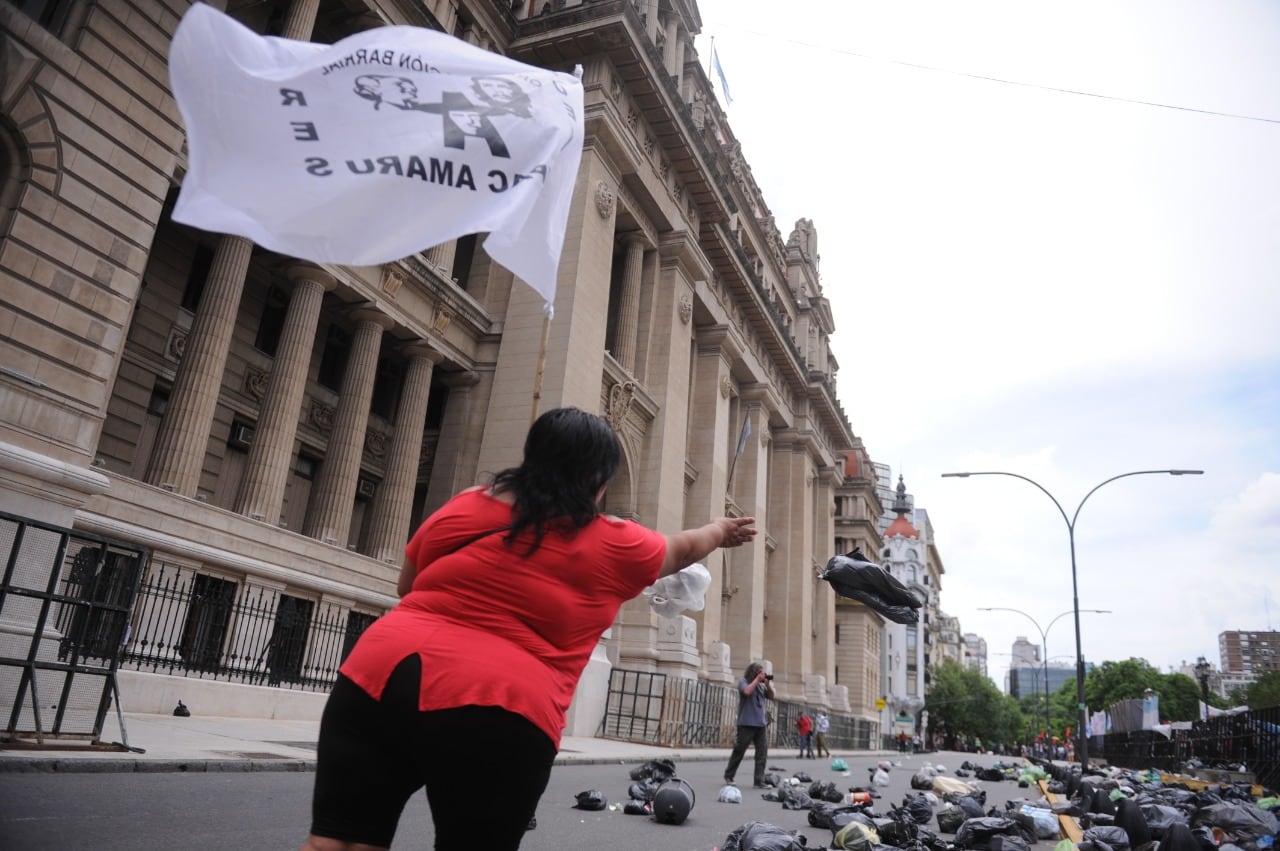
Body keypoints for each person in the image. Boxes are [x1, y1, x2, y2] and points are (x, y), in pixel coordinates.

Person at [300, 407, 756, 851]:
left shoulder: (465, 506)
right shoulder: (618, 543)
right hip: (501, 704)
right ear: (599, 482)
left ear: (531, 457)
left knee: (337, 841)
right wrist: (719, 529)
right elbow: (685, 547)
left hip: (380, 673)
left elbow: (408, 585)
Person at [723, 662, 775, 787]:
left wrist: (768, 685)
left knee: (762, 753)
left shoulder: (761, 686)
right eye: (760, 672)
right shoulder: (743, 681)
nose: (763, 675)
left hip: (761, 725)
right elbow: (746, 692)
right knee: (739, 751)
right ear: (754, 672)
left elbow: (772, 697)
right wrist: (757, 680)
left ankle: (759, 780)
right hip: (746, 723)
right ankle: (729, 776)